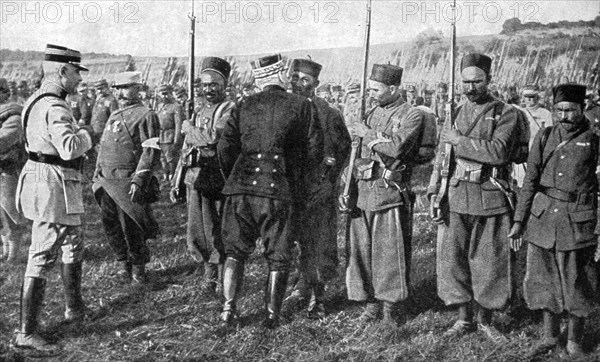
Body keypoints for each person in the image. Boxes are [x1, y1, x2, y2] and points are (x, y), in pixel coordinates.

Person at [217, 53, 323, 328]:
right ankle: (271, 316)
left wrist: (235, 177)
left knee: (234, 252)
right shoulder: (303, 106)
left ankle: (228, 310)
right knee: (278, 256)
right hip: (278, 190)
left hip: (239, 190)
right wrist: (298, 183)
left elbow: (225, 148)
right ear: (279, 76)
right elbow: (314, 153)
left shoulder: (242, 105)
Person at [429, 54, 520, 342]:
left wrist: (460, 141)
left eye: (477, 81)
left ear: (489, 80)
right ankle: (463, 319)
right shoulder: (453, 112)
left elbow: (499, 152)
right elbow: (442, 158)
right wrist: (434, 191)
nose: (470, 87)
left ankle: (486, 320)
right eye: (466, 82)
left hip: (490, 194)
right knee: (454, 261)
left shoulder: (506, 113)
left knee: (489, 262)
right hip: (456, 194)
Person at [508, 84, 599, 358]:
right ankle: (549, 336)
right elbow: (530, 181)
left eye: (570, 110)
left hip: (577, 220)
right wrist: (519, 221)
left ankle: (574, 339)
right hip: (542, 217)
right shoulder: (545, 136)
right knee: (542, 280)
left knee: (576, 282)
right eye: (559, 110)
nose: (564, 115)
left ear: (582, 109)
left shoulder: (594, 140)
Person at [14, 44, 94, 352]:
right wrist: (87, 134)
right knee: (43, 253)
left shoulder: (34, 100)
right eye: (76, 73)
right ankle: (26, 332)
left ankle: (74, 307)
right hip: (53, 186)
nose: (79, 80)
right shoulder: (57, 106)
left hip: (42, 179)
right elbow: (70, 148)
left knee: (73, 242)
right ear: (62, 71)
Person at [343, 64, 433, 323]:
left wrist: (367, 133)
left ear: (393, 89)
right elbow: (358, 153)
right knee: (362, 252)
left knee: (388, 254)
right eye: (369, 89)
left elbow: (396, 148)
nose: (370, 93)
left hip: (389, 193)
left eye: (376, 89)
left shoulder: (411, 115)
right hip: (363, 192)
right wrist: (348, 185)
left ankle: (390, 307)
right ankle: (370, 303)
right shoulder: (371, 112)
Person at [288, 58, 351, 317]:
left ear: (316, 84)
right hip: (290, 188)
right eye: (294, 77)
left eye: (305, 80)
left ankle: (319, 296)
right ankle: (300, 285)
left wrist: (331, 176)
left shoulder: (328, 113)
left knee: (319, 243)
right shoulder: (284, 108)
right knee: (292, 240)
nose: (298, 84)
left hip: (318, 189)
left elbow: (344, 148)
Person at [169, 57, 235, 294]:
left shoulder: (228, 109)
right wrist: (177, 178)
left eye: (214, 84)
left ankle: (218, 278)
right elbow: (187, 149)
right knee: (198, 229)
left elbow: (211, 140)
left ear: (224, 85)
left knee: (216, 228)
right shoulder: (197, 111)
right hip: (195, 177)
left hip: (217, 177)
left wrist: (189, 128)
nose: (209, 89)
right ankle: (209, 274)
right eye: (205, 85)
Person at [92, 71, 161, 284]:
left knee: (132, 226)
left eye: (126, 88)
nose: (121, 93)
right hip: (106, 180)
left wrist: (139, 180)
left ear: (138, 88)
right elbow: (104, 147)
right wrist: (96, 174)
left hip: (127, 180)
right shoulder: (114, 115)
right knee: (110, 225)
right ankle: (123, 263)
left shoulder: (146, 114)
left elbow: (150, 150)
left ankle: (138, 268)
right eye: (118, 88)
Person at [0, 78, 27, 262]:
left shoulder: (13, 115)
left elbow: (5, 139)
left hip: (10, 169)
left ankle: (14, 253)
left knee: (10, 210)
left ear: (4, 93)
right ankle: (5, 248)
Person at [156, 84, 183, 182]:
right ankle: (165, 175)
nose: (164, 96)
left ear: (171, 93)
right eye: (162, 94)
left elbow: (178, 124)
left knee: (170, 158)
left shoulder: (176, 107)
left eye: (166, 94)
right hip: (160, 136)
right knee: (162, 158)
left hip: (170, 136)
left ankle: (172, 175)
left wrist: (176, 139)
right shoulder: (159, 106)